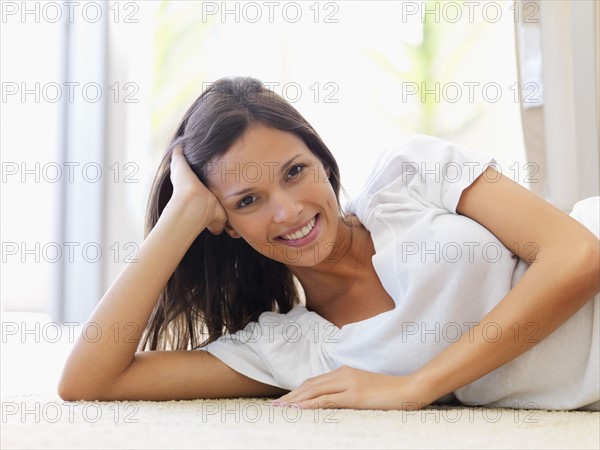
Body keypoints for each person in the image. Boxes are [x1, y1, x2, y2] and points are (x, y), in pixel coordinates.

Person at [58, 76, 600, 411]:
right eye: (248, 201)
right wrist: (180, 218)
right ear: (223, 224)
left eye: (295, 171)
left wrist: (416, 386)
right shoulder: (293, 351)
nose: (289, 210)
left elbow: (576, 254)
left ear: (322, 159)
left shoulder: (407, 176)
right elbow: (88, 381)